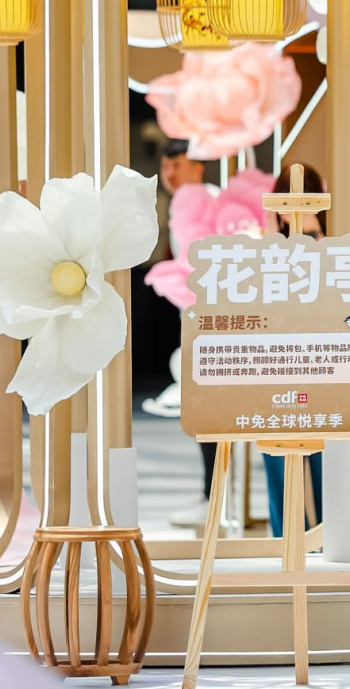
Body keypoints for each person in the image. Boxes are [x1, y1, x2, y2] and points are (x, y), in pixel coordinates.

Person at [156, 139, 220, 529]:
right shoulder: (181, 204)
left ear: (198, 165)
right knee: (203, 413)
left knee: (210, 414)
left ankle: (215, 499)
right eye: (165, 165)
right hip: (198, 323)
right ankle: (212, 496)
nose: (170, 173)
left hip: (216, 326)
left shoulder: (210, 200)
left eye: (176, 164)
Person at [262, 166, 327, 538]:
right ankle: (285, 536)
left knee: (325, 453)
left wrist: (315, 234)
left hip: (320, 362)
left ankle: (330, 535)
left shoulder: (331, 245)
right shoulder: (267, 248)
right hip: (277, 363)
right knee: (276, 452)